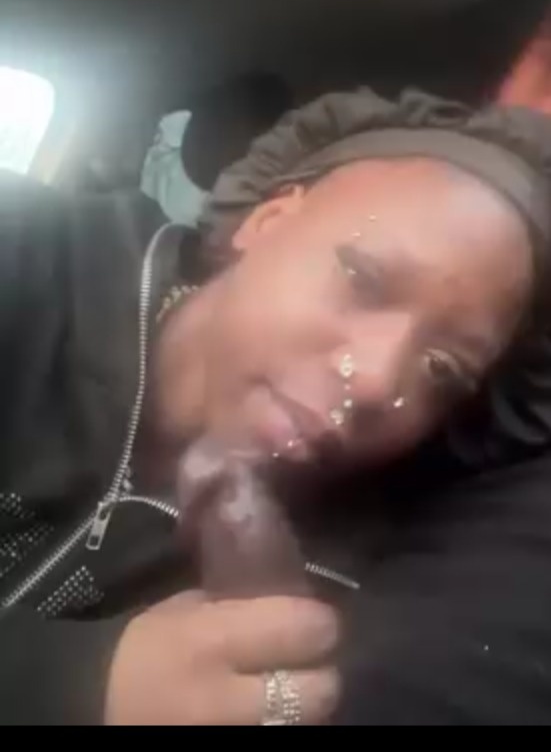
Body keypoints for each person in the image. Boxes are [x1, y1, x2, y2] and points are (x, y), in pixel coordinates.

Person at [1, 87, 551, 725]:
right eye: (365, 280)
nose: (378, 381)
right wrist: (73, 685)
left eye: (442, 368)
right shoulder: (27, 253)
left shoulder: (360, 569)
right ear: (268, 220)